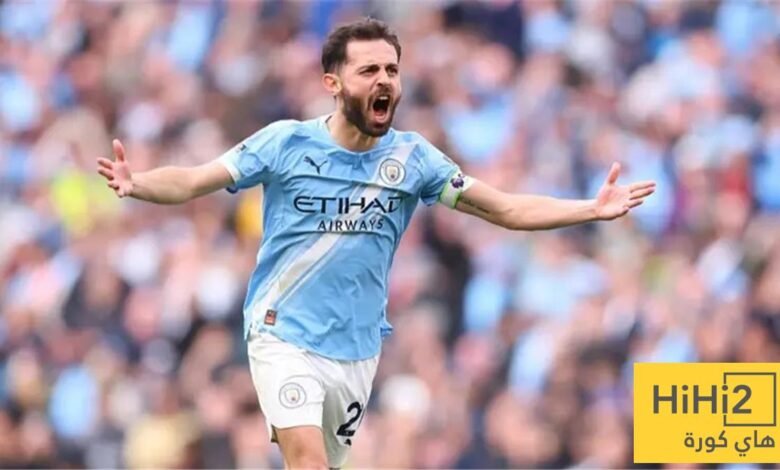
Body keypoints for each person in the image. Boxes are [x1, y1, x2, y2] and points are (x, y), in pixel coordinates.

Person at [96, 18, 655, 470]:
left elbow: (506, 209)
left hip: (356, 350)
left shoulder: (415, 160)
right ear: (334, 84)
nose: (385, 80)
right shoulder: (285, 143)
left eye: (392, 69)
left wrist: (589, 208)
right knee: (308, 463)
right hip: (280, 331)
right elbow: (194, 179)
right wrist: (139, 183)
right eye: (369, 70)